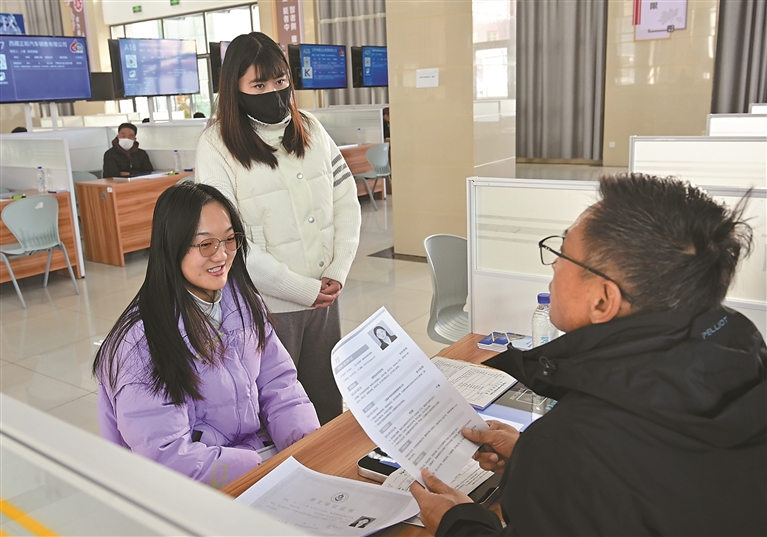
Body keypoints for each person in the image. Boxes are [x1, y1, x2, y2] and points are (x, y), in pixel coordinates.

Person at [410, 173, 766, 536]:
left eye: (563, 253)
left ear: (602, 300)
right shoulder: (744, 348)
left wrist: (458, 523)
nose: (553, 265)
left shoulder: (570, 443)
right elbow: (670, 484)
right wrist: (540, 462)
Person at [92, 182, 320, 489]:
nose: (222, 255)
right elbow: (167, 457)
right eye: (206, 244)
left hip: (256, 463)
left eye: (229, 239)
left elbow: (279, 384)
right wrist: (259, 469)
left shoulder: (241, 300)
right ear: (172, 247)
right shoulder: (141, 343)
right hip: (192, 491)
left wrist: (306, 446)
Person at [195, 32, 361, 425]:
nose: (273, 93)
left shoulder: (311, 128)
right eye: (259, 85)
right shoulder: (216, 145)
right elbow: (227, 242)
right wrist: (301, 289)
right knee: (275, 411)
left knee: (324, 401)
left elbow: (345, 201)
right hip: (266, 306)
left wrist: (337, 271)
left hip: (324, 297)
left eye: (280, 81)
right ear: (234, 88)